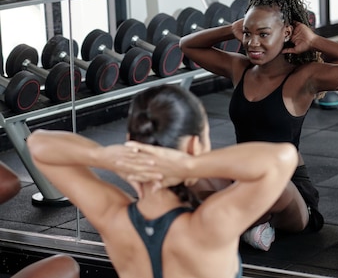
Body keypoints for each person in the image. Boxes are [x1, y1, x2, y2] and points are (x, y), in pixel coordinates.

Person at [180, 0, 338, 250]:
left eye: (263, 34)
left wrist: (314, 40)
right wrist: (231, 29)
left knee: (267, 180)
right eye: (247, 34)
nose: (253, 43)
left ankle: (239, 219)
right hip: (243, 178)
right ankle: (250, 222)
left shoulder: (304, 78)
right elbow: (187, 46)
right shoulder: (240, 68)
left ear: (287, 32)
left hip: (287, 192)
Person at [28, 84, 298, 278]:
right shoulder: (210, 226)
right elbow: (283, 158)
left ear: (131, 143)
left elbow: (38, 143)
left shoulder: (112, 216)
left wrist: (102, 156)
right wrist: (190, 164)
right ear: (194, 145)